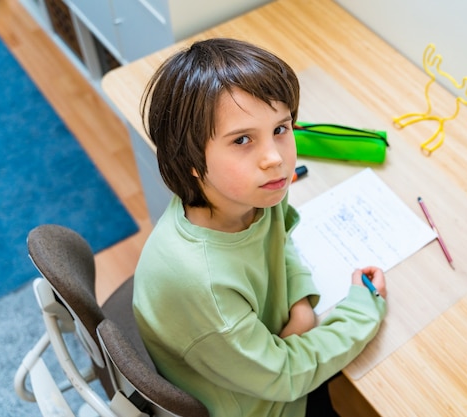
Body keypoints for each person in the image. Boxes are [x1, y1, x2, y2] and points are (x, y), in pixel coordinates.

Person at [133, 37, 387, 417]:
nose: (275, 159)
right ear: (188, 158)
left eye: (281, 129)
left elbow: (279, 238)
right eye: (243, 140)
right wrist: (365, 309)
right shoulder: (203, 282)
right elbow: (285, 376)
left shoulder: (247, 194)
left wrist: (300, 305)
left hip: (259, 362)